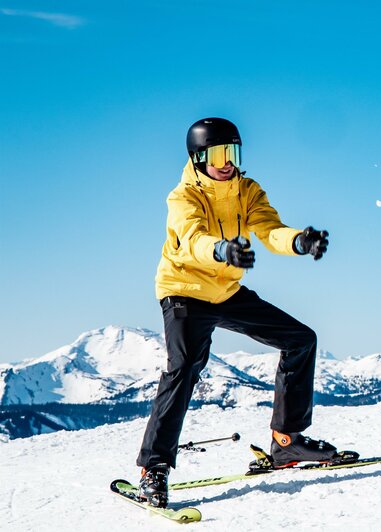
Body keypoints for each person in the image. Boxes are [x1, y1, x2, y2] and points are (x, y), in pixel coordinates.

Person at [136, 117, 335, 508]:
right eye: (218, 154)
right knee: (185, 365)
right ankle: (153, 470)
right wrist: (222, 250)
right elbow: (192, 239)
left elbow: (269, 228)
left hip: (225, 290)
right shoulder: (183, 197)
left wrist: (299, 241)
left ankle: (287, 442)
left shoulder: (247, 189)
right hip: (185, 291)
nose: (227, 162)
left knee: (300, 340)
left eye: (234, 153)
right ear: (198, 158)